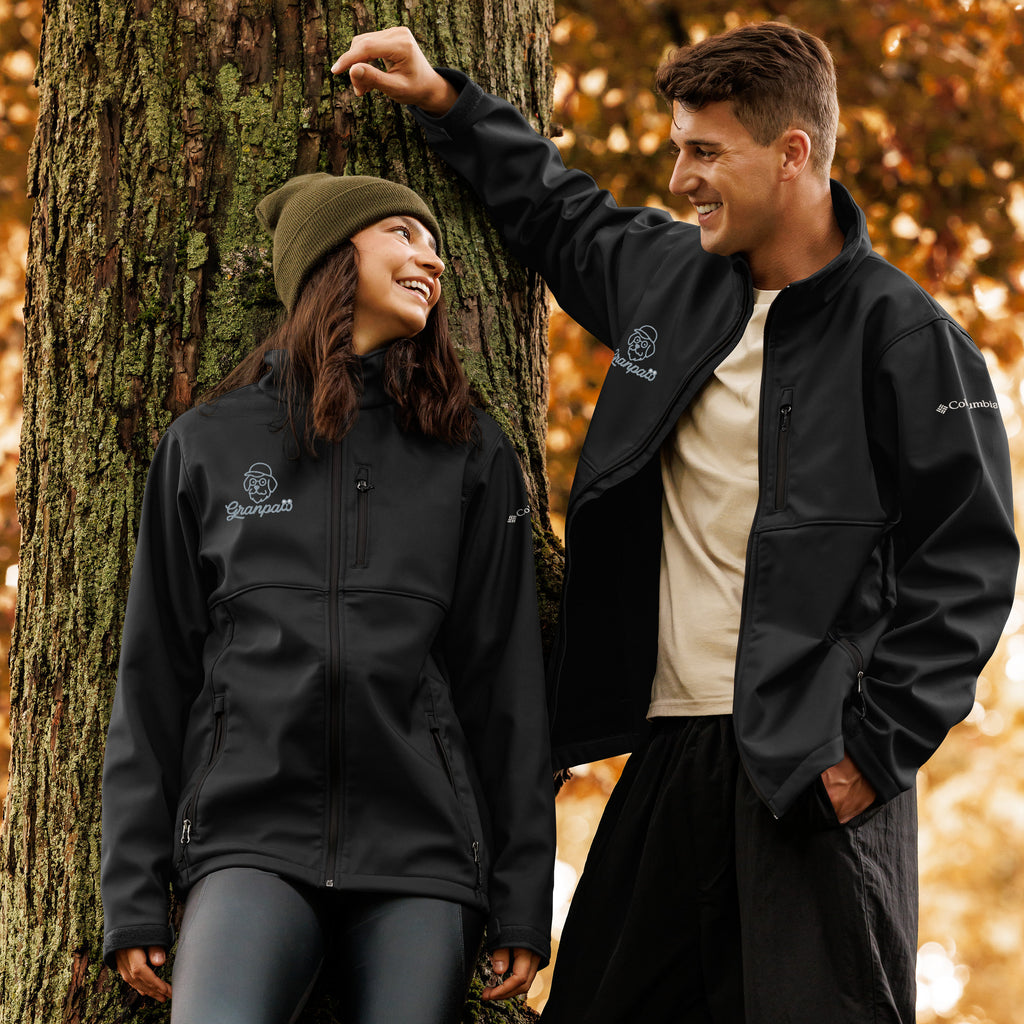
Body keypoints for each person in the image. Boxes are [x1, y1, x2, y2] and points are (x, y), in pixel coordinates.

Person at [331, 23, 1019, 1024]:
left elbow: (965, 560)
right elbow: (554, 210)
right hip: (667, 752)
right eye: (676, 145)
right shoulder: (669, 276)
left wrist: (871, 752)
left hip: (810, 767)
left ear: (791, 154)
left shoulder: (906, 337)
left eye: (704, 150)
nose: (680, 173)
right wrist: (446, 102)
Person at [100, 172, 555, 1024]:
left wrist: (523, 894)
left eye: (436, 244)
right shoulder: (209, 443)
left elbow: (506, 683)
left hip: (420, 855)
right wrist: (132, 891)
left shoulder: (468, 452)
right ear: (331, 256)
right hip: (247, 842)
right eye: (402, 234)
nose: (433, 259)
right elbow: (152, 675)